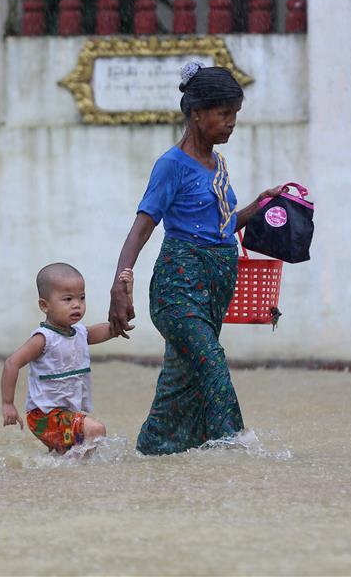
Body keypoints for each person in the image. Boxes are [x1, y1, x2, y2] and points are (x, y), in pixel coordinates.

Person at [108, 61, 286, 456]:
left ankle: (152, 450)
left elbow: (221, 226)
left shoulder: (218, 164)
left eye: (235, 114)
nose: (231, 123)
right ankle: (235, 449)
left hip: (214, 286)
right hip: (179, 285)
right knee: (210, 364)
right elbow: (143, 225)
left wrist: (260, 205)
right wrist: (121, 283)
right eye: (224, 114)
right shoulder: (172, 165)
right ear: (196, 113)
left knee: (181, 380)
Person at [1, 262, 134, 454]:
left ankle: (69, 479)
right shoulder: (43, 339)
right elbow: (12, 363)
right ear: (44, 305)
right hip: (44, 416)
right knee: (95, 430)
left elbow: (115, 327)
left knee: (67, 458)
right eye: (68, 299)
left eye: (82, 297)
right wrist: (8, 403)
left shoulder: (80, 333)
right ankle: (83, 475)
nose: (77, 304)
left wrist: (127, 295)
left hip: (66, 414)